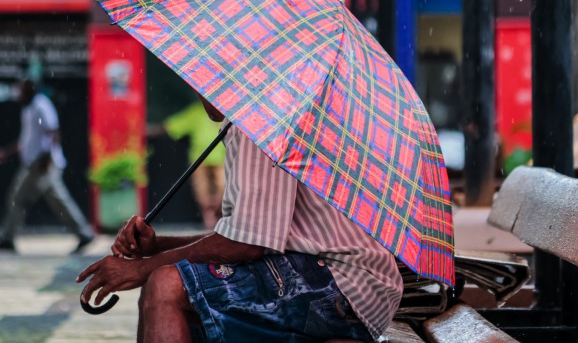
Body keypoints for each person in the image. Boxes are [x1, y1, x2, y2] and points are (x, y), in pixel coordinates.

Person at [77, 95, 403, 342]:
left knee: (166, 284)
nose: (200, 90)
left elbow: (245, 246)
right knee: (182, 284)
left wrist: (140, 268)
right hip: (324, 273)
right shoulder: (253, 114)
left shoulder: (260, 118)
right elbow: (240, 232)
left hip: (345, 282)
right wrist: (158, 246)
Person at [0, 80, 95, 254]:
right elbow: (26, 139)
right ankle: (84, 233)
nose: (18, 93)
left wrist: (47, 157)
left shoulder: (41, 105)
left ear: (29, 90)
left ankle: (7, 237)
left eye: (21, 89)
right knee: (57, 200)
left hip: (42, 164)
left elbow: (53, 131)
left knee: (19, 198)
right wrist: (6, 153)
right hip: (36, 163)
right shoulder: (28, 108)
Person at [150, 102, 225, 230]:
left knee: (223, 188)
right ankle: (209, 216)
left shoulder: (227, 113)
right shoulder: (196, 112)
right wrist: (151, 130)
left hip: (222, 159)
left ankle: (217, 215)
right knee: (201, 190)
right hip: (200, 159)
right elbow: (173, 125)